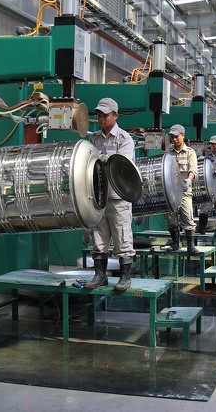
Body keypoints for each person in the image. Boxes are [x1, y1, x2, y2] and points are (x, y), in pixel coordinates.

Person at [86, 98, 135, 291]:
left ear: (115, 115)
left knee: (122, 236)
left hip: (118, 196)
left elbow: (120, 164)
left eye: (105, 115)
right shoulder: (94, 138)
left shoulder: (124, 139)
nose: (101, 118)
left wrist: (100, 160)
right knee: (99, 237)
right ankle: (100, 275)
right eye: (99, 115)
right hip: (99, 195)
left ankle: (125, 277)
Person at [164, 124, 199, 255]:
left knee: (187, 217)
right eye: (172, 137)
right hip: (170, 192)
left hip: (184, 191)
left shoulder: (190, 152)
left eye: (176, 136)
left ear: (183, 135)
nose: (174, 139)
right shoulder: (168, 154)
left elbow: (193, 169)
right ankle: (175, 243)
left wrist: (189, 179)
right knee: (171, 218)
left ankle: (190, 246)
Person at [197, 135, 216, 237]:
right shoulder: (207, 155)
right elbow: (199, 162)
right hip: (209, 186)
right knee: (204, 207)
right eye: (212, 144)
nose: (214, 146)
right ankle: (201, 228)